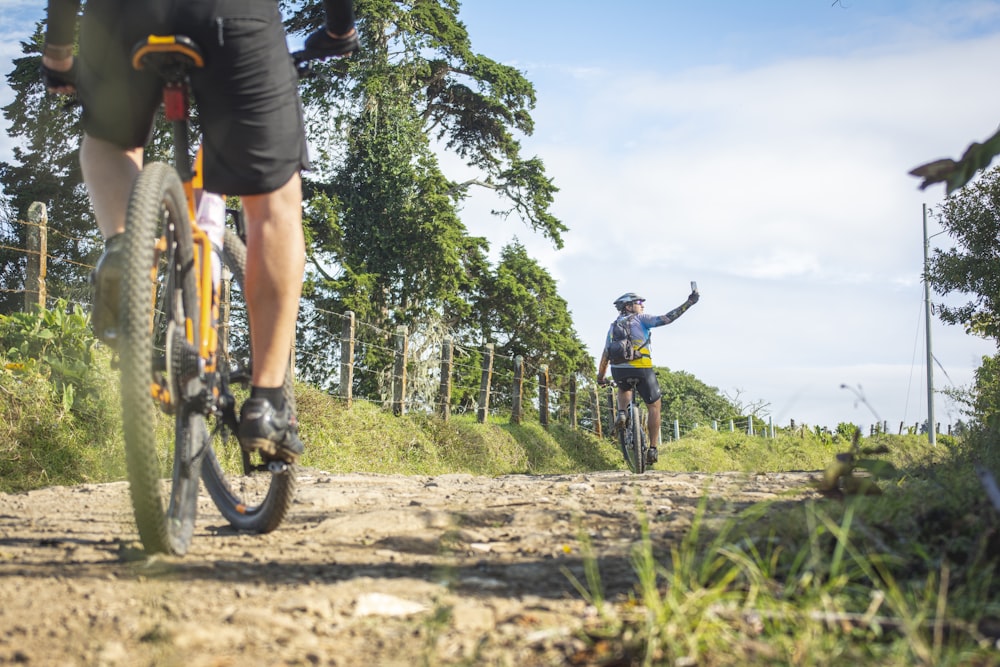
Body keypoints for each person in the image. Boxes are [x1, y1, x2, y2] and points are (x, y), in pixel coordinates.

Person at [40, 0, 357, 463]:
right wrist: (339, 29)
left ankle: (126, 251)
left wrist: (58, 52)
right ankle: (268, 406)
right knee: (273, 204)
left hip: (125, 17)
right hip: (232, 17)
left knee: (108, 143)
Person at [596, 289, 699, 465]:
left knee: (623, 387)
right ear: (628, 306)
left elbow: (606, 353)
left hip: (618, 370)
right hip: (642, 368)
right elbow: (667, 318)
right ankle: (652, 448)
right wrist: (689, 303)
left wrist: (601, 376)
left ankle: (622, 413)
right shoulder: (641, 319)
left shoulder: (612, 327)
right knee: (654, 406)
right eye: (639, 303)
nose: (642, 305)